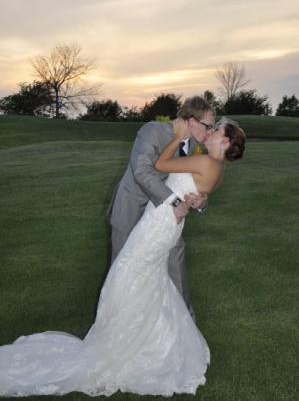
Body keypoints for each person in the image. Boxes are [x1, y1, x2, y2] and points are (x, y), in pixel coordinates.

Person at [0, 117, 246, 397]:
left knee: (127, 273)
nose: (211, 132)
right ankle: (151, 341)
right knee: (147, 278)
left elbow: (160, 166)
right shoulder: (217, 168)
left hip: (160, 223)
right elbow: (195, 193)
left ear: (225, 142)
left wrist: (177, 138)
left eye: (216, 131)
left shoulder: (205, 162)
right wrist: (198, 201)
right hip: (166, 223)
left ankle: (120, 346)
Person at [108, 96, 215, 320]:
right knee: (122, 266)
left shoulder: (193, 144)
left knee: (176, 256)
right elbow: (141, 172)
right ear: (191, 120)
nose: (210, 132)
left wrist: (201, 201)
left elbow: (189, 181)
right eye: (208, 125)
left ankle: (186, 321)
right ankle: (115, 322)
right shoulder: (152, 131)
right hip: (131, 208)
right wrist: (175, 202)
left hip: (162, 215)